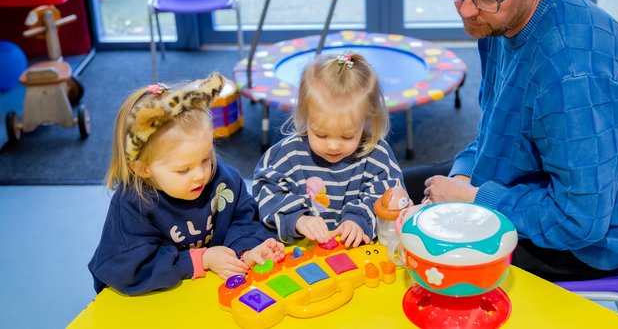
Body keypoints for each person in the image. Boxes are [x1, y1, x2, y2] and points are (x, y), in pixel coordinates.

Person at [405, 0, 618, 282]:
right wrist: (462, 176)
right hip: (526, 186)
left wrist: (474, 200)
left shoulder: (575, 76)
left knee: (419, 253)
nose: (465, 9)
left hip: (585, 246)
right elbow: (491, 131)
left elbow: (580, 223)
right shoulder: (496, 18)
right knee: (390, 185)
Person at [89, 72, 285, 295]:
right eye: (183, 170)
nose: (200, 175)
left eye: (206, 158)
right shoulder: (132, 204)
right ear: (142, 168)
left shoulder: (220, 178)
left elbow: (243, 216)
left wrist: (247, 249)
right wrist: (200, 260)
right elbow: (129, 267)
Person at [253, 52, 405, 248]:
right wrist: (298, 219)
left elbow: (389, 198)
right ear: (304, 117)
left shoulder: (376, 155)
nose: (333, 146)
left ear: (366, 121)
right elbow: (266, 195)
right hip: (301, 252)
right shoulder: (286, 156)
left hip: (354, 252)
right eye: (321, 135)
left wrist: (358, 220)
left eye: (347, 136)